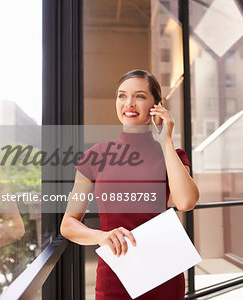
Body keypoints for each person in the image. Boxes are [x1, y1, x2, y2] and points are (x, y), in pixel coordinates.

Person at [60, 69, 199, 300]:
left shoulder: (172, 154)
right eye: (122, 95)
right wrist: (101, 236)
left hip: (164, 272)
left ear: (157, 106)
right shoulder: (96, 156)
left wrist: (165, 138)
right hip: (114, 274)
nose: (129, 103)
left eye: (140, 96)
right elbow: (68, 224)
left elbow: (185, 202)